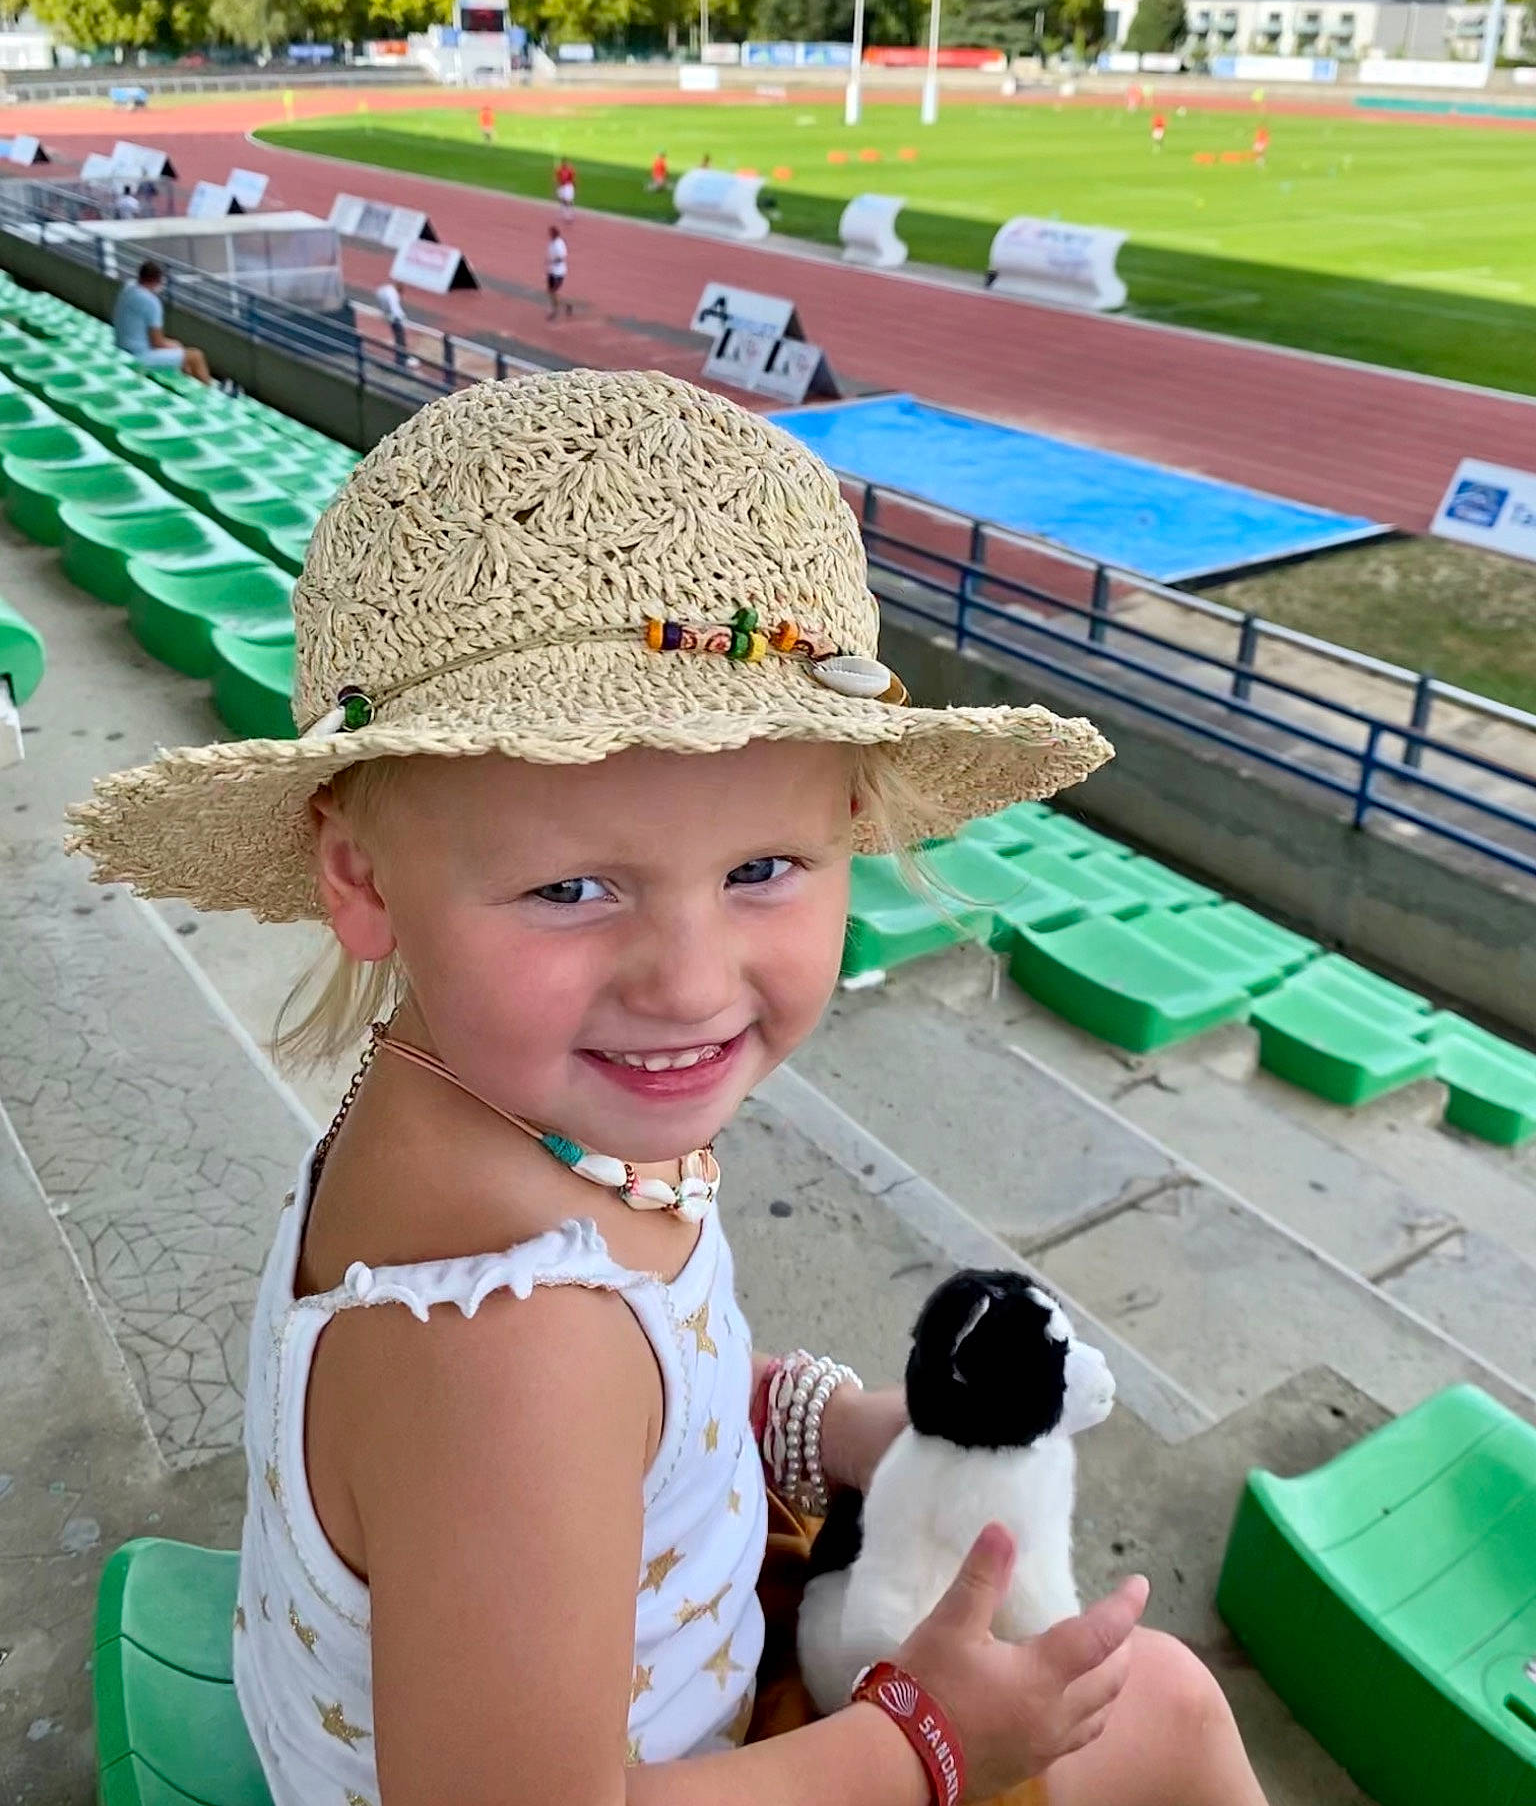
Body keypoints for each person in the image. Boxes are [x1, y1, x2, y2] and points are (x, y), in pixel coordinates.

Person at [70, 372, 1273, 1806]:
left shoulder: (497, 1102)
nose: (691, 985)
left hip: (596, 1681)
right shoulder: (514, 1350)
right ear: (362, 876)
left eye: (762, 868)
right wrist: (930, 1743)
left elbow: (647, 1417)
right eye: (572, 888)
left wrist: (815, 1426)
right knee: (1164, 1710)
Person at [111, 260, 212, 384]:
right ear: (157, 280)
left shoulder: (128, 287)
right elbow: (157, 342)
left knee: (178, 347)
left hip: (121, 348)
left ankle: (189, 384)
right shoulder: (151, 302)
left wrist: (175, 345)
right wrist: (175, 345)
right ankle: (208, 388)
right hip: (139, 356)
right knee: (196, 356)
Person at [374, 278, 417, 367]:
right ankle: (401, 360)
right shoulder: (393, 294)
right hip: (395, 319)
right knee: (400, 338)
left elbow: (383, 301)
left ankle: (401, 357)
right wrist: (401, 318)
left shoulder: (387, 289)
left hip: (390, 316)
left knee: (399, 337)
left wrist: (386, 315)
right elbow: (395, 308)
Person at [545, 223, 572, 319]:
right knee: (551, 292)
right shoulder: (551, 242)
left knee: (553, 292)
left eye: (551, 233)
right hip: (551, 271)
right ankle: (567, 305)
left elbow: (561, 257)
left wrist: (552, 261)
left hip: (559, 272)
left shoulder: (559, 244)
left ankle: (554, 311)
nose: (549, 234)